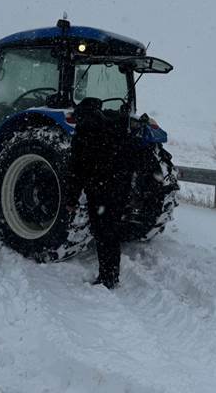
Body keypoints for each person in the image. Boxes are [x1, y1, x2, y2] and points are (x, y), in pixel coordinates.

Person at [65, 98, 133, 289]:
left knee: (102, 233)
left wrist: (71, 199)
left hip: (99, 189)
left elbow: (76, 169)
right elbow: (129, 158)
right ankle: (112, 275)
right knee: (112, 232)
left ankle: (106, 278)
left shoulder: (83, 132)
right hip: (119, 188)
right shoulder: (117, 125)